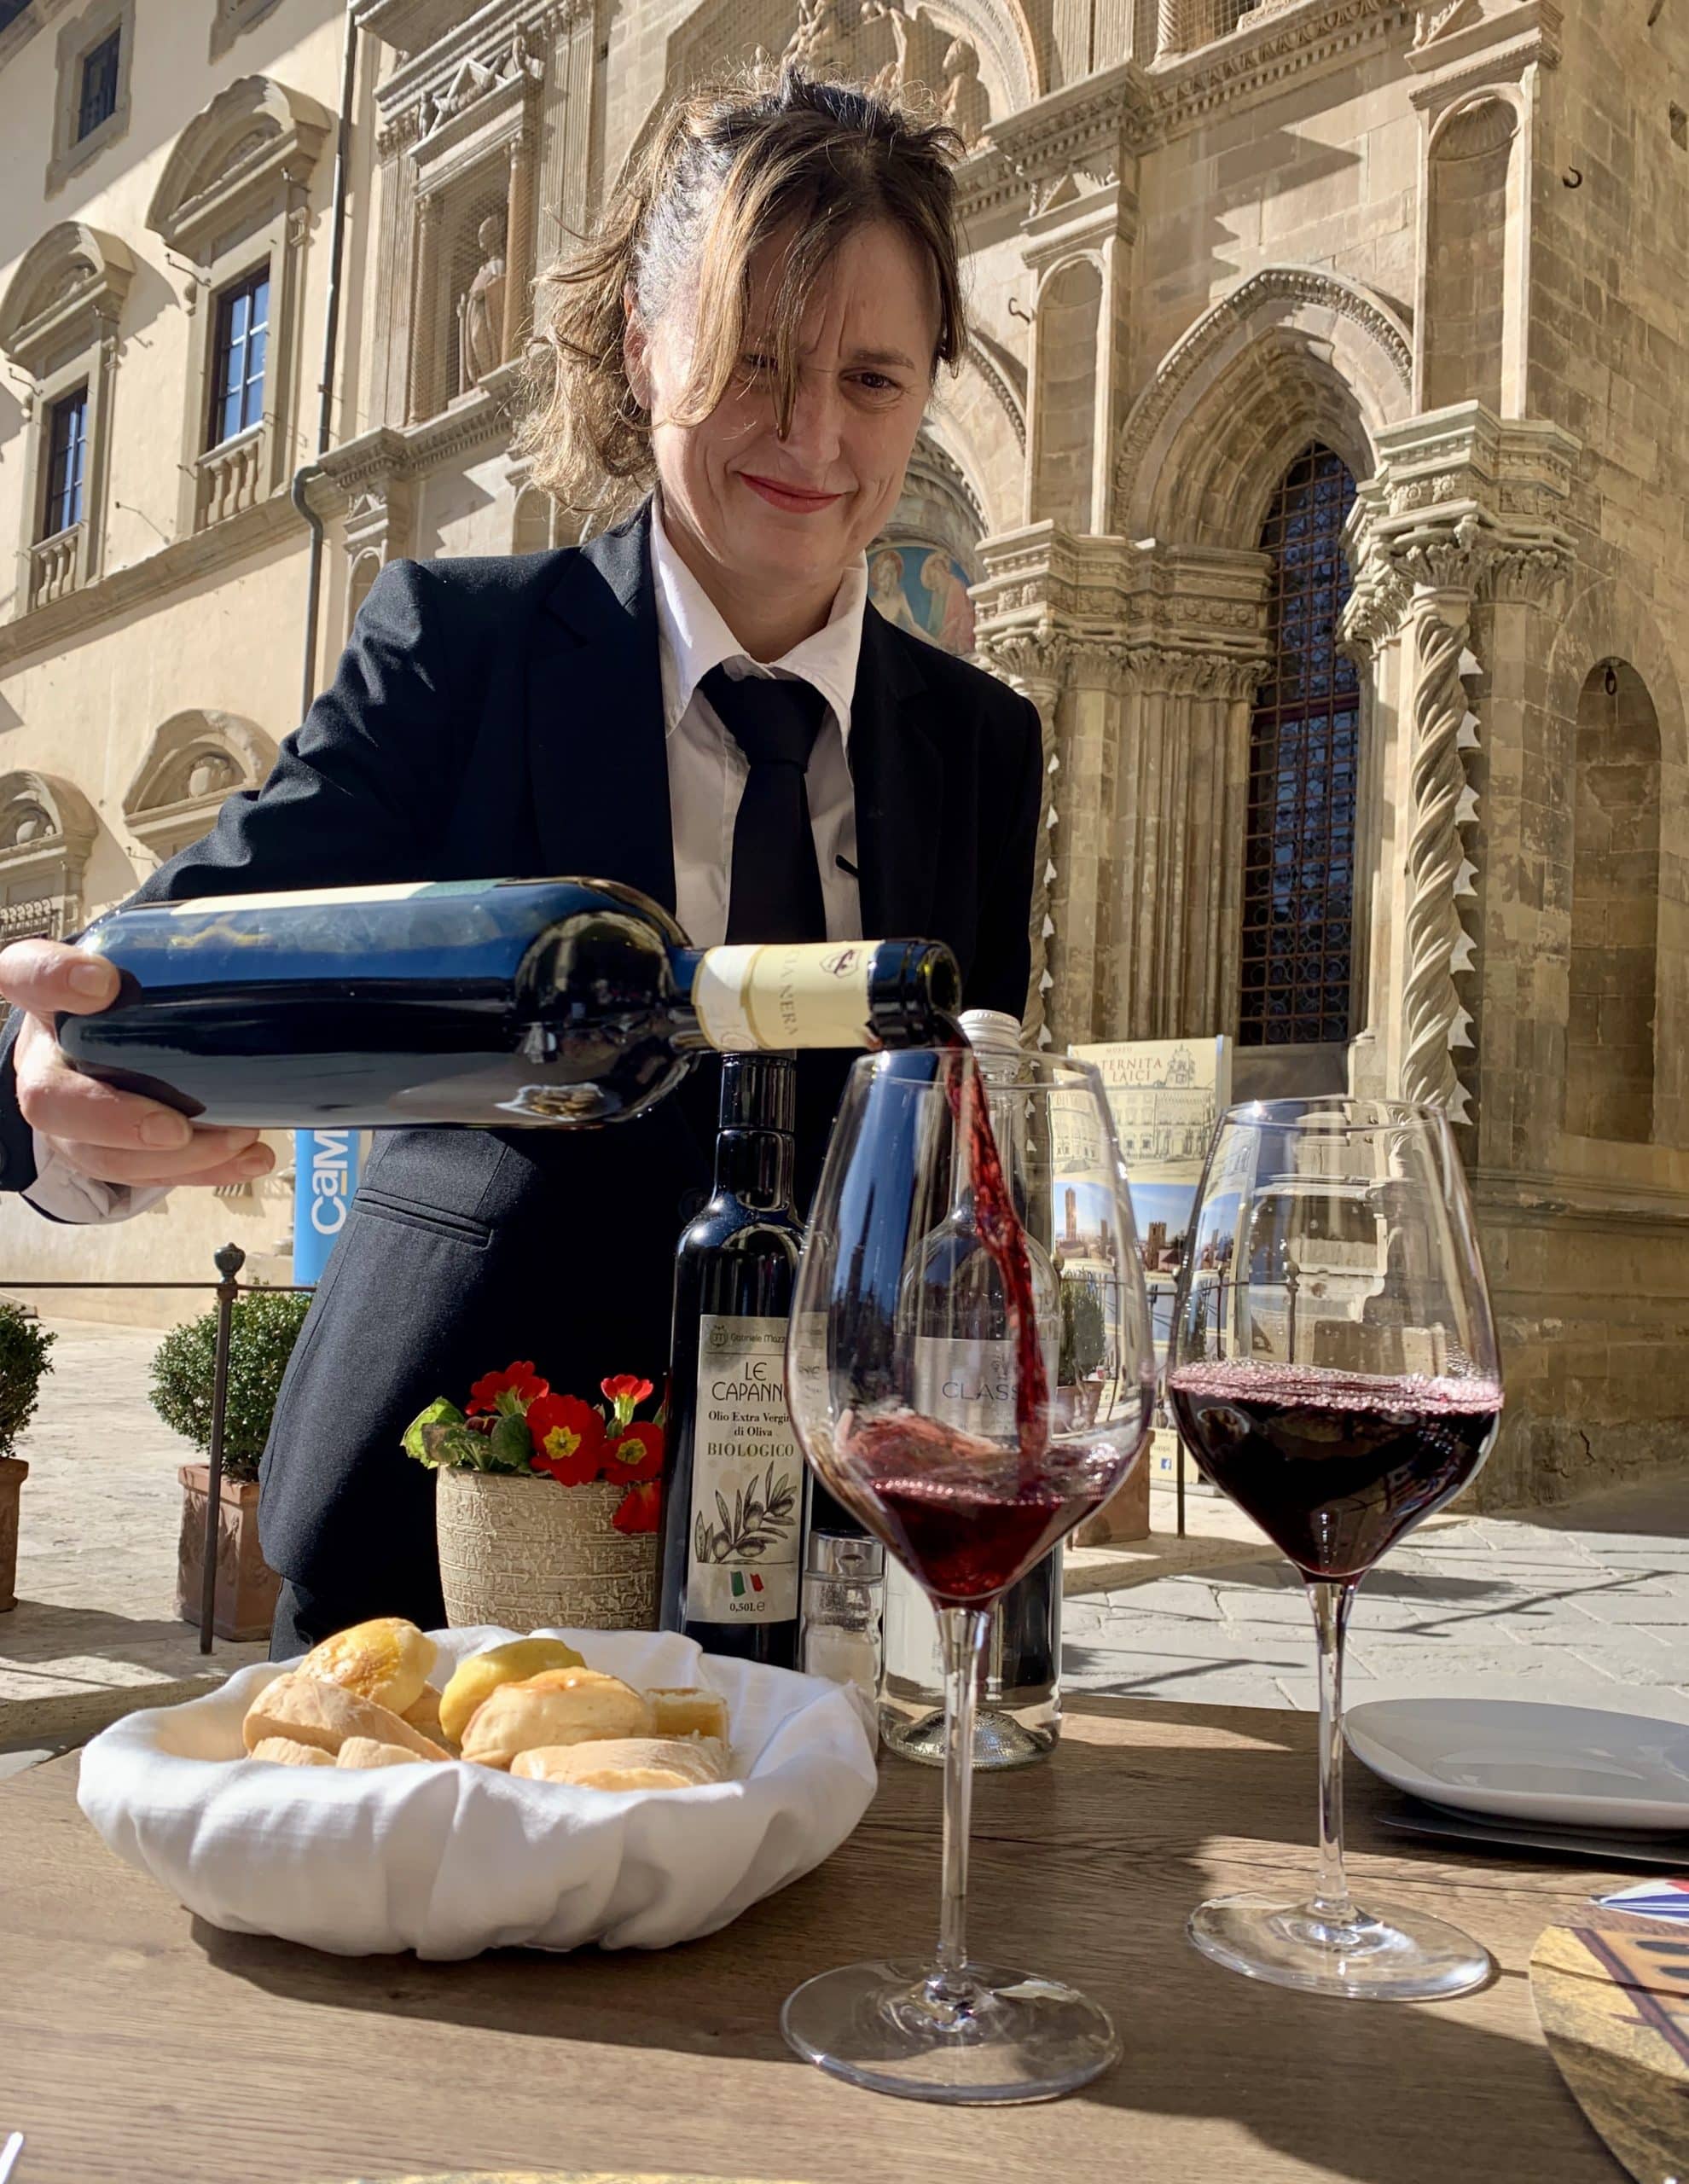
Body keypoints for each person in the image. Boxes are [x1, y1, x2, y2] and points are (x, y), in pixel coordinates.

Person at [0, 69, 1042, 1656]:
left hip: (828, 1581)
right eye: (758, 361)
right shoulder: (460, 653)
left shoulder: (979, 739)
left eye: (876, 378)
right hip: (446, 1550)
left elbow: (964, 1142)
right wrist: (56, 1081)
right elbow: (173, 964)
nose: (815, 435)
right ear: (644, 339)